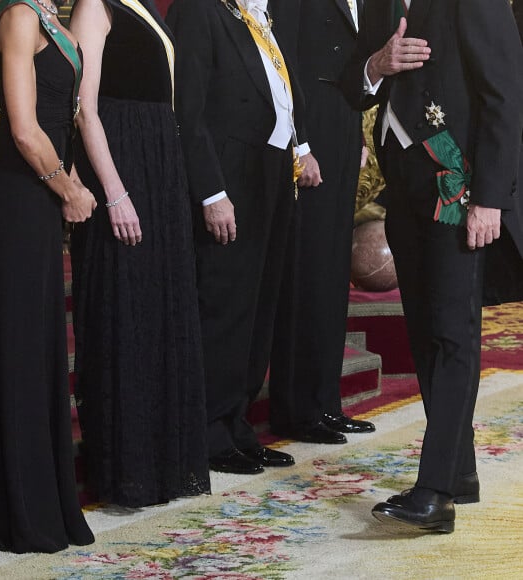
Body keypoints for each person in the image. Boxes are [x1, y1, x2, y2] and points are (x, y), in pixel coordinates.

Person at [341, 0, 523, 533]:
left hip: (458, 189)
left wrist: (490, 198)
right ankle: (460, 472)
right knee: (424, 334)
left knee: (451, 335)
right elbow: (353, 85)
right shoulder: (378, 4)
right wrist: (376, 65)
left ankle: (435, 490)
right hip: (403, 191)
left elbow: (505, 93)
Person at [0, 0, 96, 553]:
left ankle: (39, 502)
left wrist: (75, 183)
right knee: (18, 353)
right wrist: (69, 190)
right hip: (17, 198)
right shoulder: (19, 16)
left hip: (41, 196)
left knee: (37, 351)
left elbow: (67, 118)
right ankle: (19, 513)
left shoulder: (52, 18)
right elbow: (22, 129)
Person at [166, 0, 321, 474]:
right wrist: (211, 191)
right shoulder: (200, 12)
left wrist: (300, 148)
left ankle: (237, 424)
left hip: (270, 174)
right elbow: (188, 111)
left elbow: (279, 92)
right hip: (228, 180)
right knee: (226, 304)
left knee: (259, 306)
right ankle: (210, 431)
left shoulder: (258, 17)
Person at [69, 0, 210, 507]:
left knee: (157, 312)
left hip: (158, 167)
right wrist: (114, 191)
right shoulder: (94, 5)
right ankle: (124, 472)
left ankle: (159, 466)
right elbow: (84, 106)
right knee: (123, 314)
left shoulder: (142, 7)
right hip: (123, 167)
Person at [267, 0, 376, 445]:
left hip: (343, 129)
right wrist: (300, 144)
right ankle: (296, 410)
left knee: (332, 274)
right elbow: (283, 57)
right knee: (306, 272)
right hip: (308, 136)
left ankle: (326, 402)